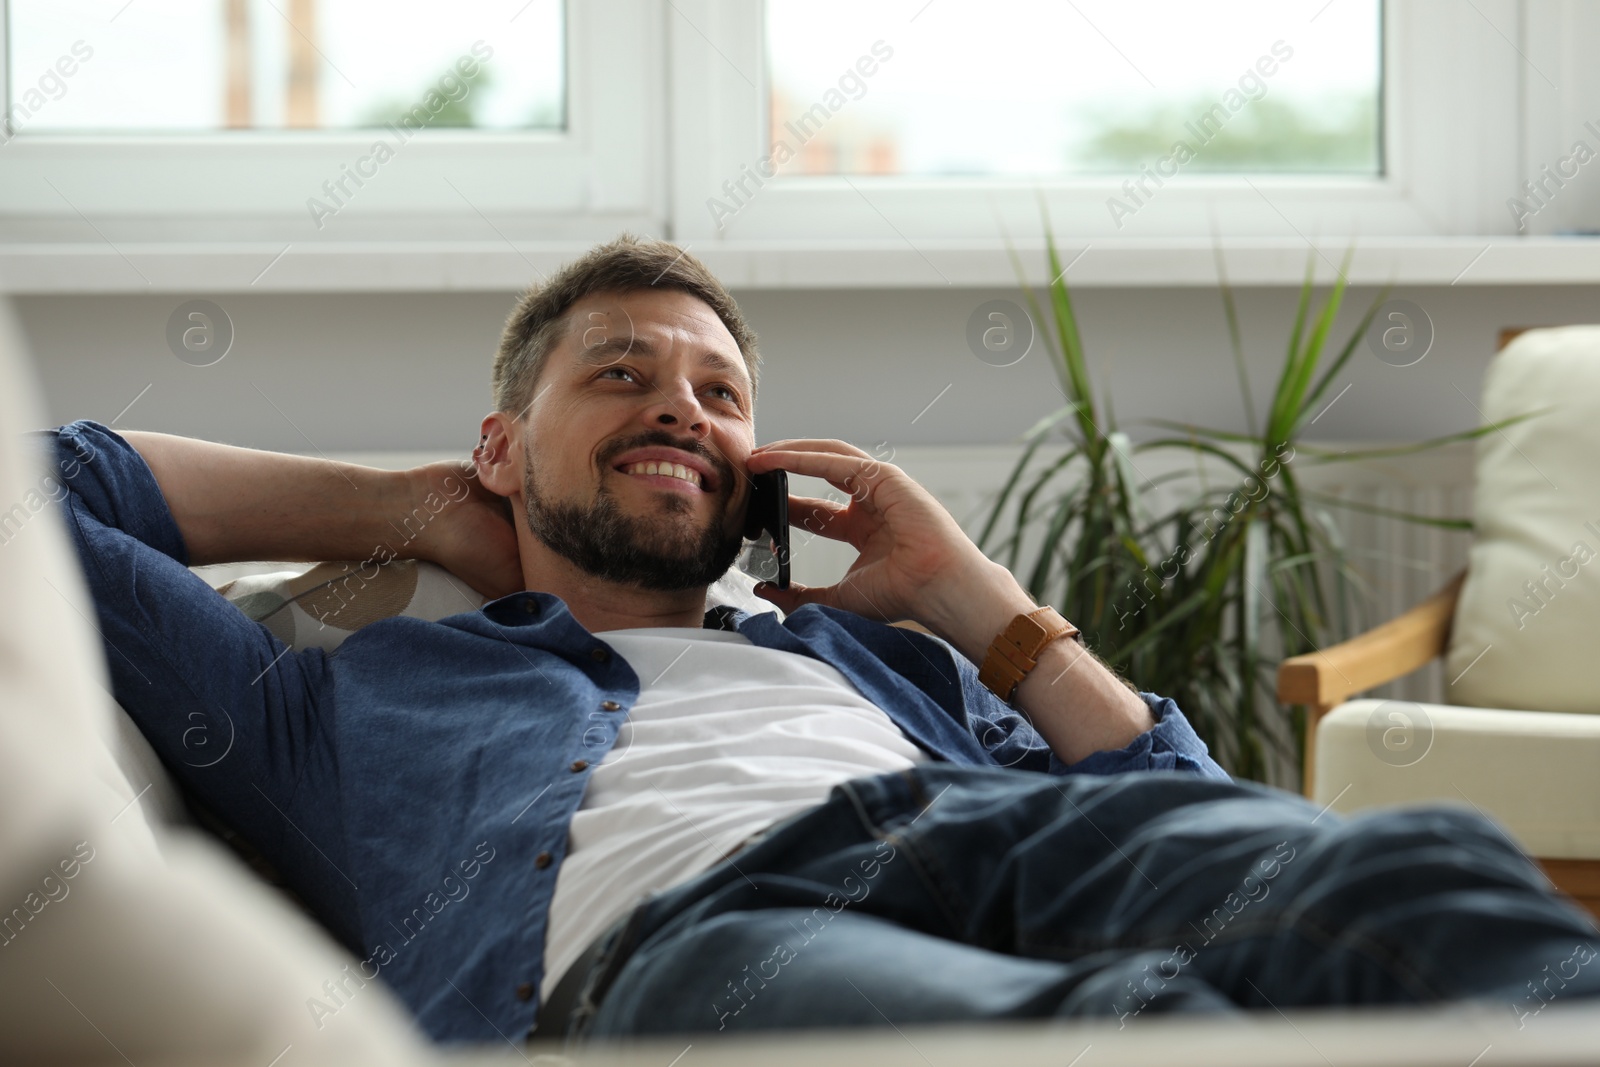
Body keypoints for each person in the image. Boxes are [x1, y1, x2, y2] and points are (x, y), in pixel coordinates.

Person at [39, 235, 1599, 1048]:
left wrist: (967, 595)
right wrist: (419, 502)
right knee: (1120, 1036)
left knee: (1416, 875)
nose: (683, 407)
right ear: (507, 445)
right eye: (624, 376)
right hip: (693, 943)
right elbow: (40, 494)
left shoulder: (885, 662)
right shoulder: (344, 703)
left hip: (994, 832)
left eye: (721, 393)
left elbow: (1188, 804)